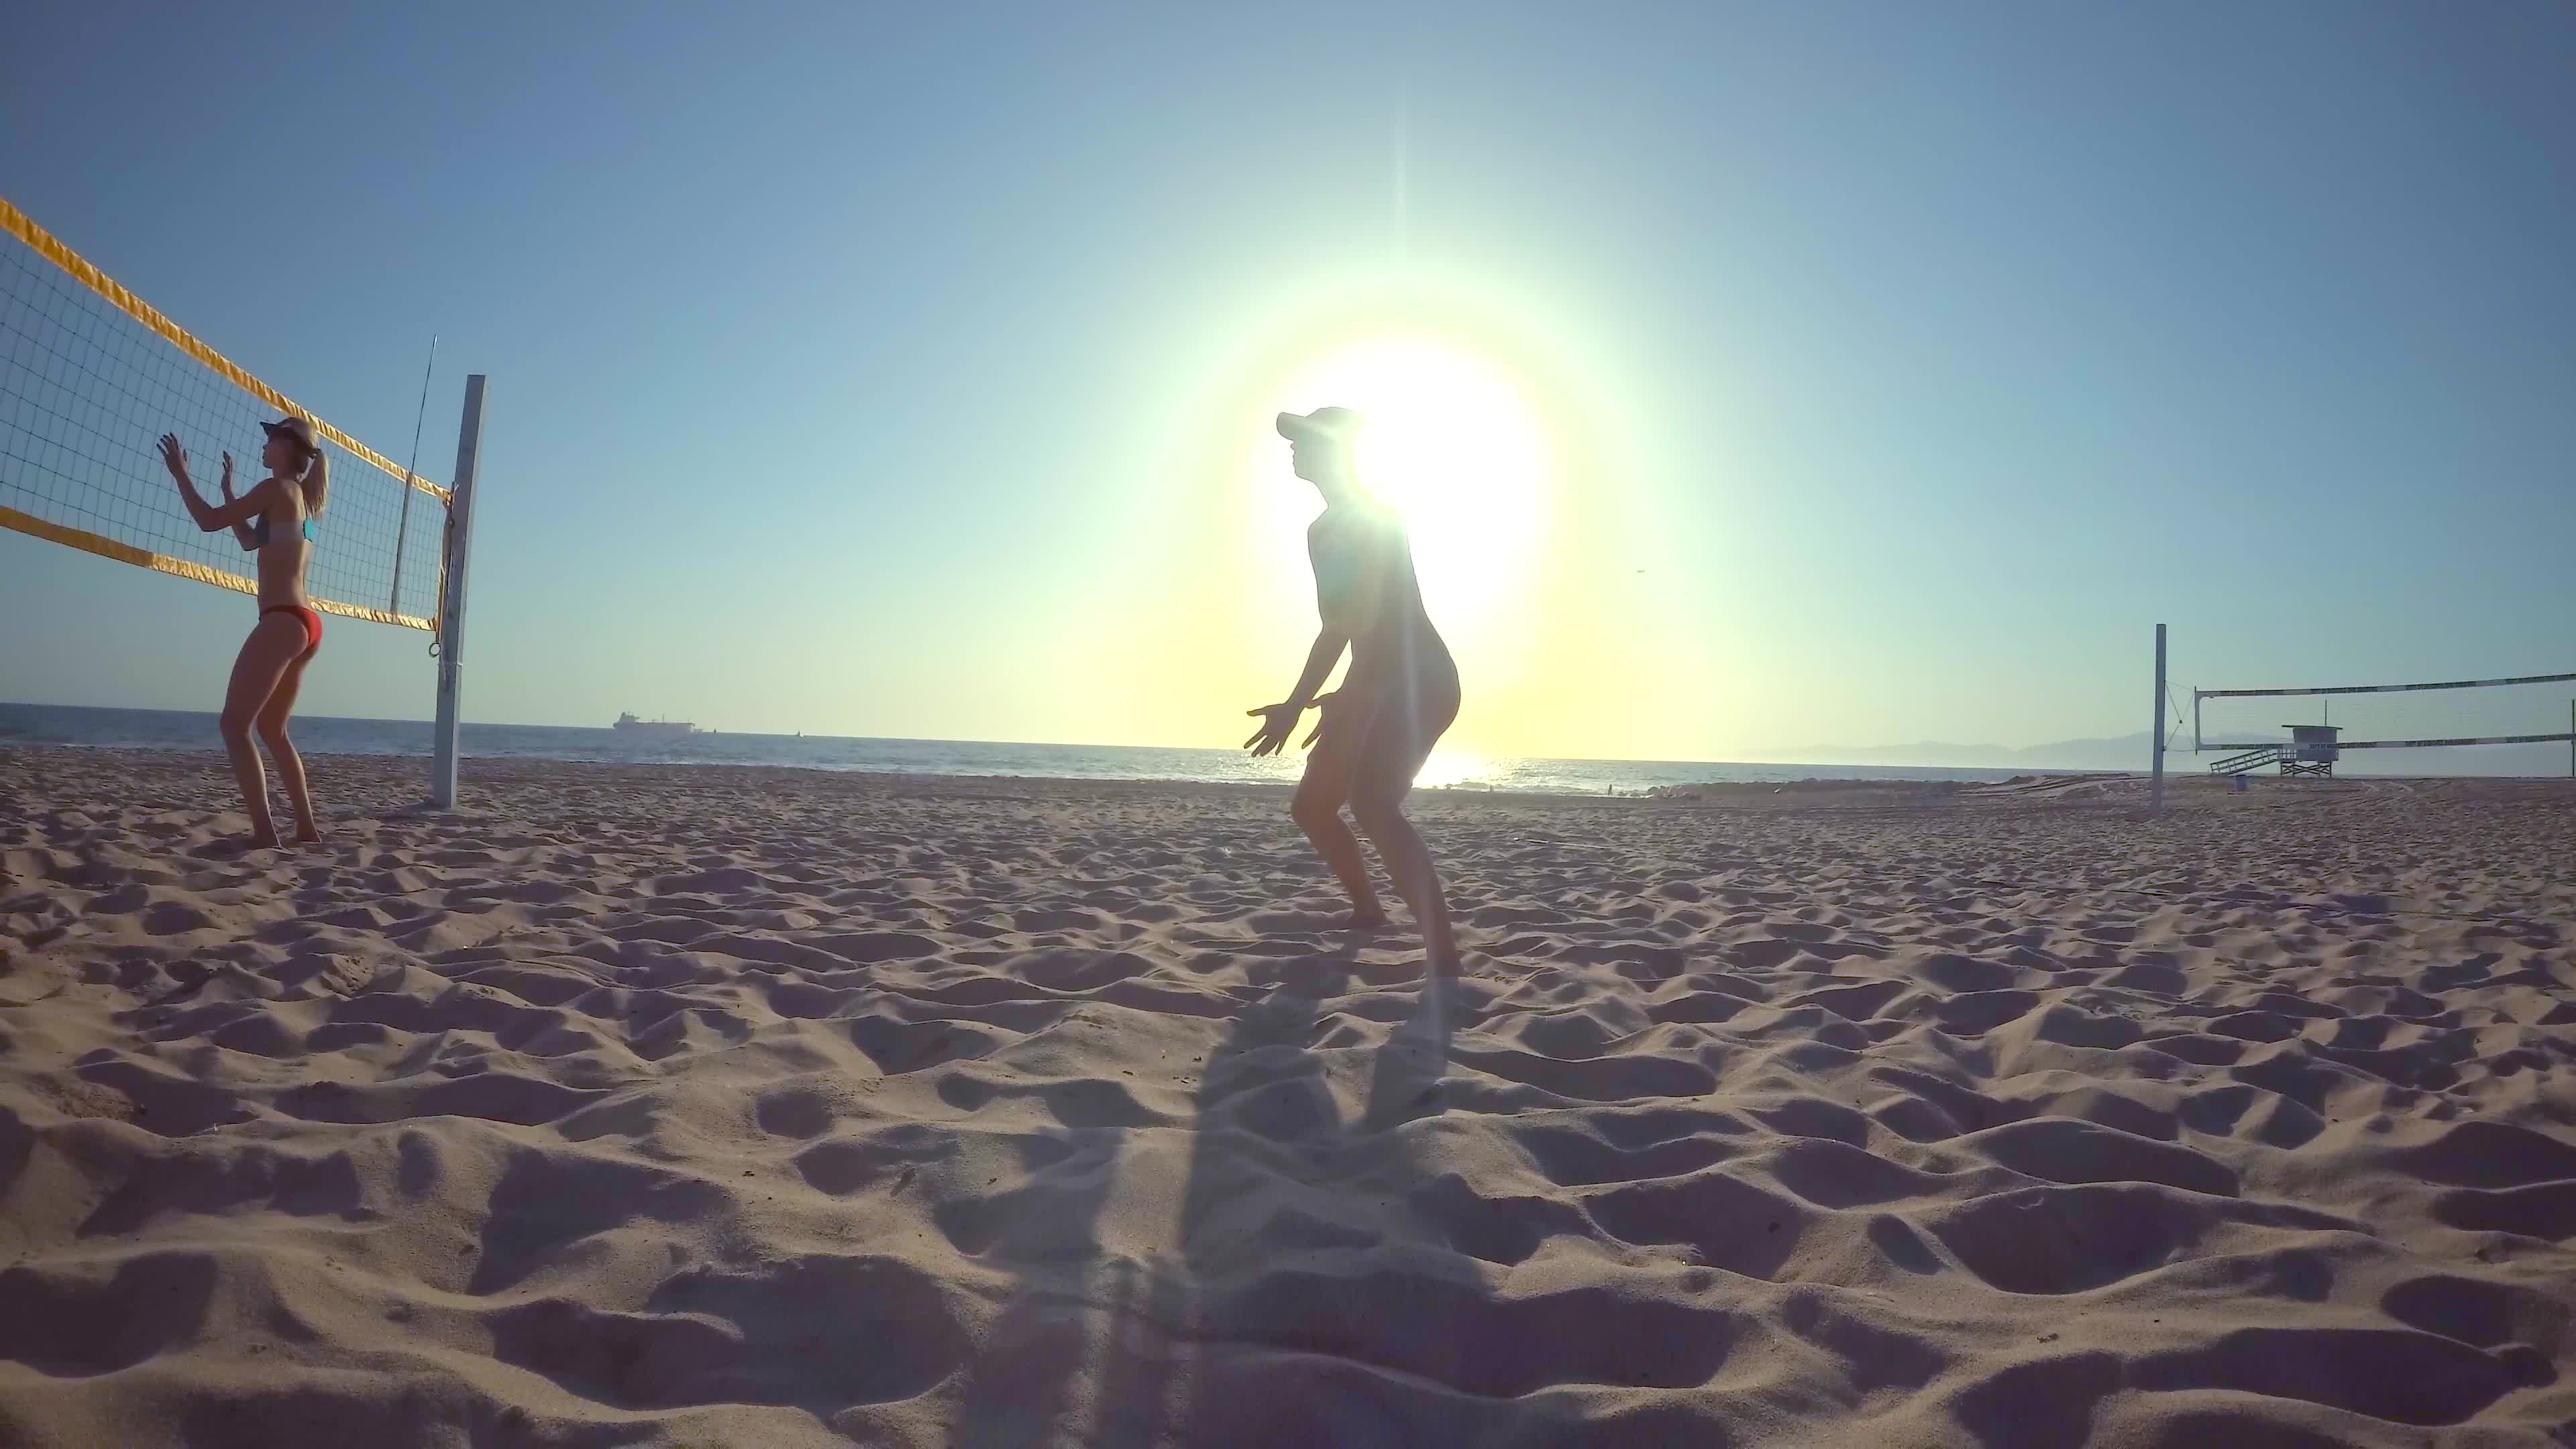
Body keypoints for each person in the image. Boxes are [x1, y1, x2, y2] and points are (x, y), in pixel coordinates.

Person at [1246, 406, 1464, 976]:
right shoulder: (1321, 530)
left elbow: (1370, 623)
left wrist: (1347, 698)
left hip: (1420, 680)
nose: (1292, 449)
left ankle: (1444, 959)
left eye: (1304, 440)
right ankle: (1368, 911)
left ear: (1336, 450)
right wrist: (1305, 703)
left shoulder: (1377, 519)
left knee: (1371, 803)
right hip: (1369, 680)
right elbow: (1339, 627)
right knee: (1313, 807)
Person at [157, 416, 329, 847]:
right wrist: (232, 494)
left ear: (287, 448)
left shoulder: (276, 488)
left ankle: (266, 834)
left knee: (234, 727)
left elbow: (208, 521)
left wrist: (181, 475)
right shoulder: (300, 501)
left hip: (283, 619)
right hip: (307, 625)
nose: (264, 445)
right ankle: (306, 828)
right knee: (273, 730)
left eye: (270, 439)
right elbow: (252, 541)